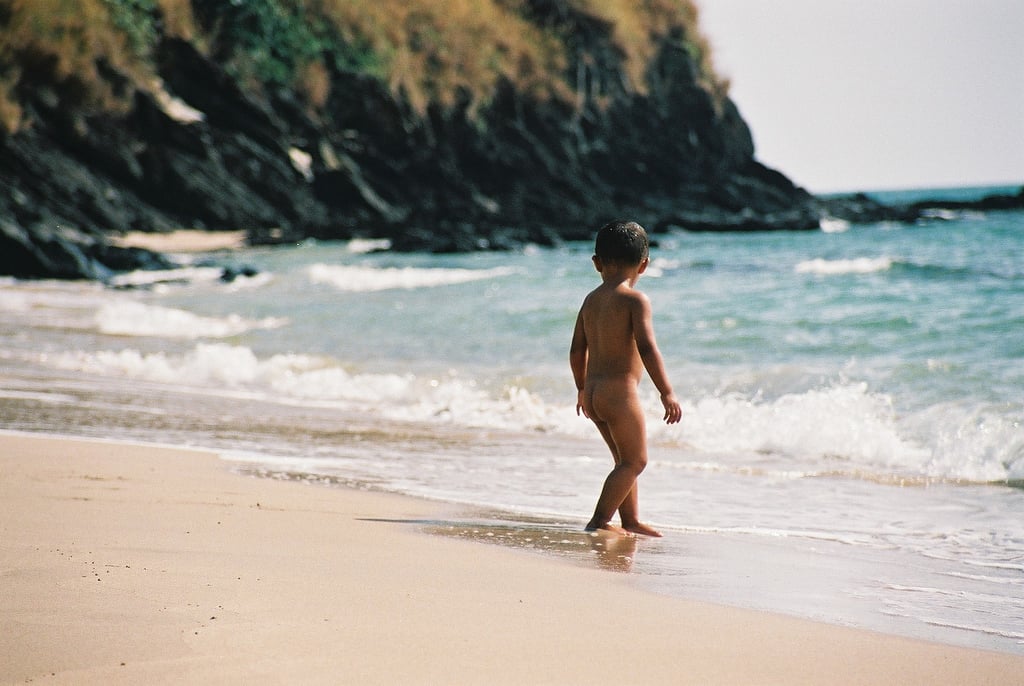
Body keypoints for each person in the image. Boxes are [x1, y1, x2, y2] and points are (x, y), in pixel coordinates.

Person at [569, 220, 682, 537]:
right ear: (644, 265)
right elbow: (647, 347)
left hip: (593, 393)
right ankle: (599, 521)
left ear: (597, 263)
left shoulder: (590, 300)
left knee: (623, 460)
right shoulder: (635, 300)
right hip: (620, 394)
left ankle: (629, 521)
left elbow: (577, 350)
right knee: (635, 461)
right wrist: (667, 392)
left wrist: (581, 388)